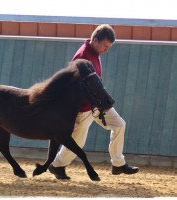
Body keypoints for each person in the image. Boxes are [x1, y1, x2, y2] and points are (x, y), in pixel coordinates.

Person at [48, 24, 139, 179]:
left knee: (119, 125)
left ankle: (118, 164)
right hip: (84, 108)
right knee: (78, 142)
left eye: (108, 47)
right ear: (95, 40)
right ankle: (57, 166)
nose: (106, 49)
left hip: (96, 103)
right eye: (105, 46)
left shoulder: (94, 53)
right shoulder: (83, 56)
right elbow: (73, 86)